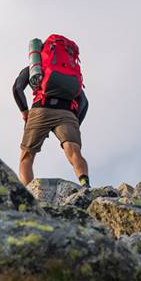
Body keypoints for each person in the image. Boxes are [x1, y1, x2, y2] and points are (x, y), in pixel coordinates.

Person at [12, 34, 90, 187]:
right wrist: (74, 122)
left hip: (41, 109)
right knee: (73, 151)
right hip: (67, 113)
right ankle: (84, 183)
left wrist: (25, 112)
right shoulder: (69, 71)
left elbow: (17, 89)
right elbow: (84, 102)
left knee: (26, 156)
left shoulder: (35, 69)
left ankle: (29, 195)